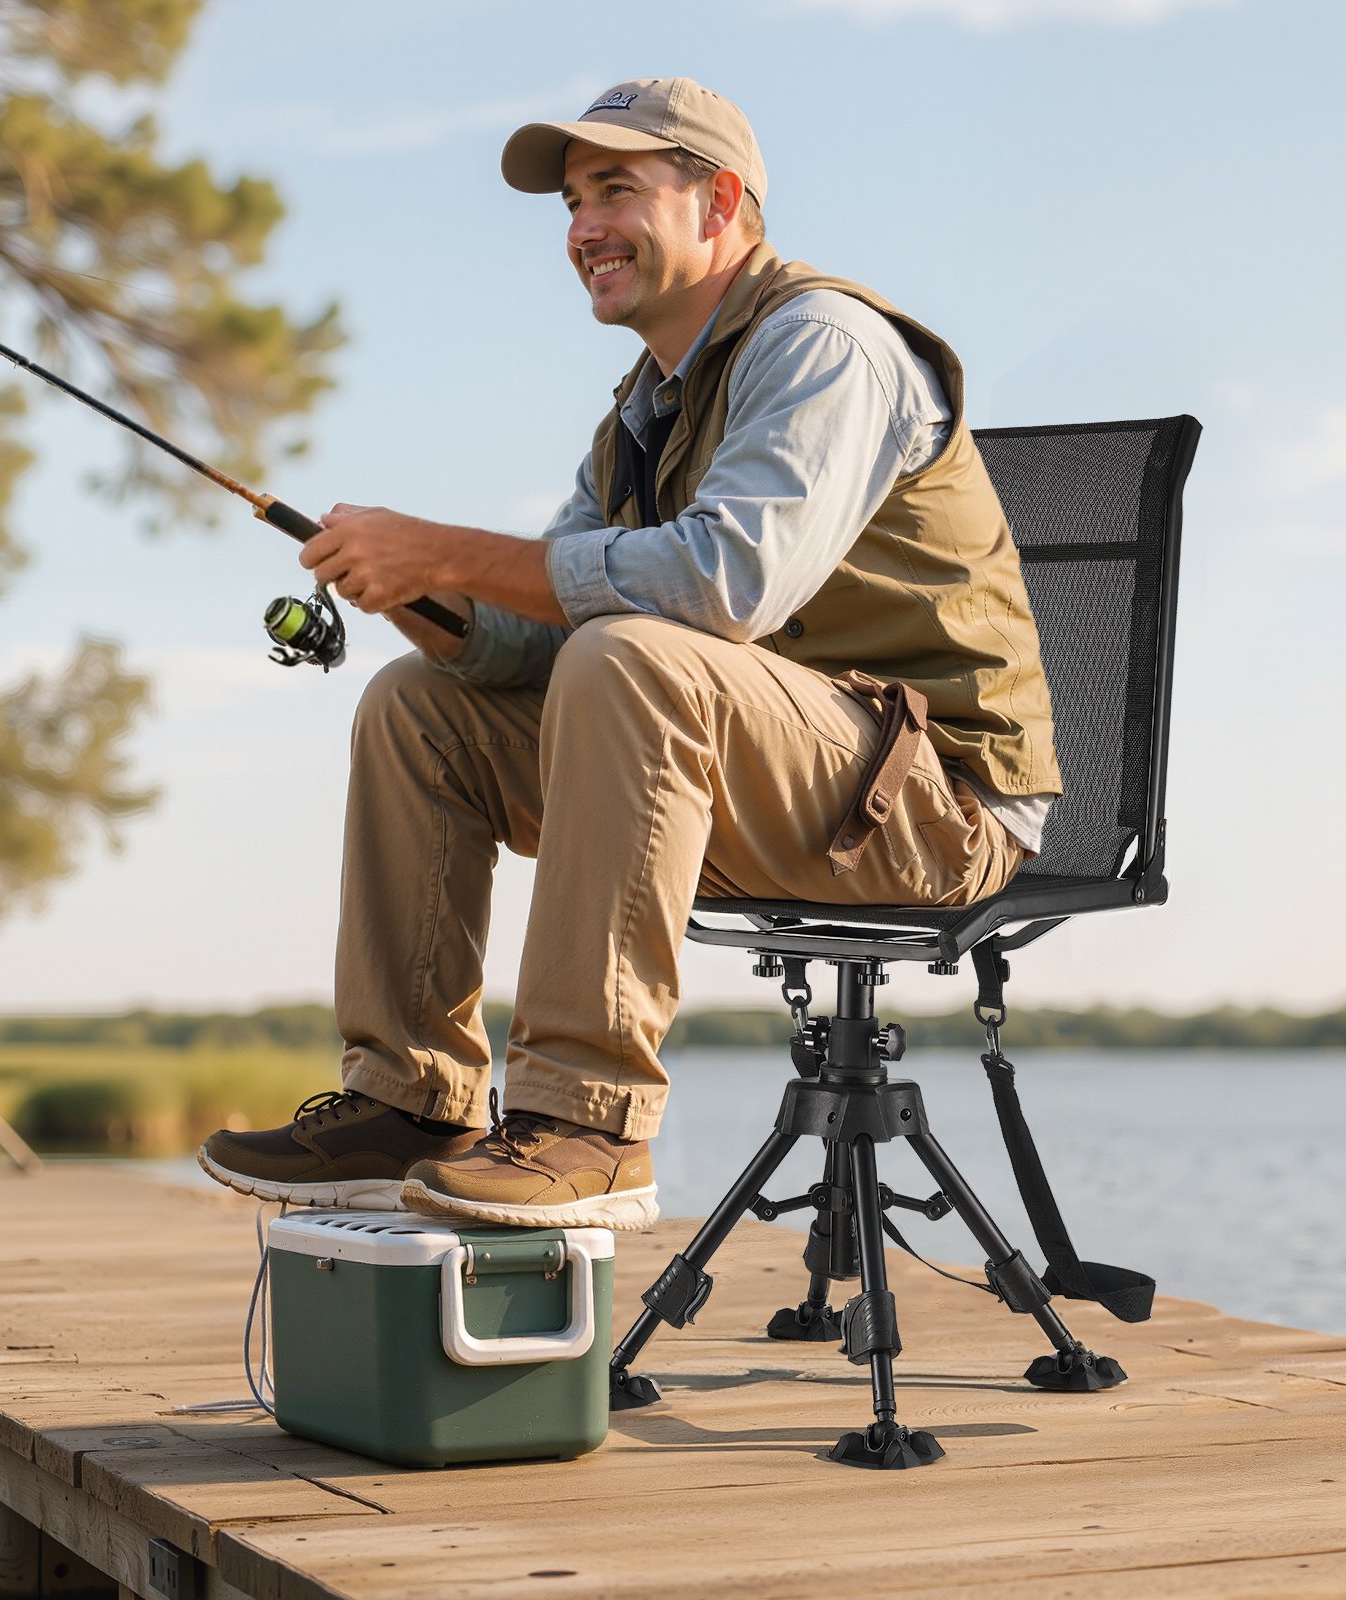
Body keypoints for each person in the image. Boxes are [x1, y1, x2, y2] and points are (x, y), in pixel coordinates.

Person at [199, 77, 1060, 1231]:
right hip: (761, 775)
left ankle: (588, 1124)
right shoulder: (641, 413)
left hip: (934, 807)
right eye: (569, 202)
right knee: (417, 704)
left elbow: (721, 583)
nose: (581, 229)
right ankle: (411, 1101)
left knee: (634, 658)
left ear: (718, 203)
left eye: (615, 190)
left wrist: (445, 546)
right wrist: (419, 594)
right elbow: (528, 632)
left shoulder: (825, 344)